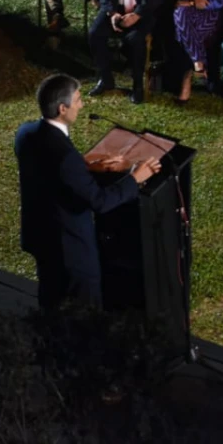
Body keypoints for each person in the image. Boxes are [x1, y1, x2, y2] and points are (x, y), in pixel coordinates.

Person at [15, 74, 159, 309]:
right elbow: (99, 201)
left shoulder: (26, 133)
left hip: (41, 237)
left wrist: (87, 167)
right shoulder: (64, 155)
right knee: (82, 314)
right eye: (78, 99)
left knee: (50, 304)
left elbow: (48, 171)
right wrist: (135, 178)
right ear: (63, 108)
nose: (81, 105)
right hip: (70, 247)